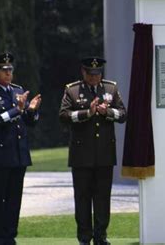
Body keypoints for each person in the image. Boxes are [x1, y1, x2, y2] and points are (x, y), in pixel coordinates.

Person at [0, 52, 42, 245]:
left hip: (18, 154)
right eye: (4, 70)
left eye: (10, 70)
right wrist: (17, 109)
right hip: (0, 156)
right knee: (0, 198)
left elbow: (29, 122)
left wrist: (31, 110)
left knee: (14, 200)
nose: (8, 74)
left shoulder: (17, 90)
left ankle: (10, 237)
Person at [59, 57, 126, 245]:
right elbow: (63, 116)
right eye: (91, 74)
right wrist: (86, 114)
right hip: (81, 156)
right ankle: (84, 237)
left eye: (98, 74)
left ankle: (101, 236)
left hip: (104, 154)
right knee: (82, 198)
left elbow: (123, 114)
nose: (95, 77)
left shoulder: (110, 89)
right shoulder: (72, 90)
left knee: (103, 198)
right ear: (83, 72)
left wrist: (108, 112)